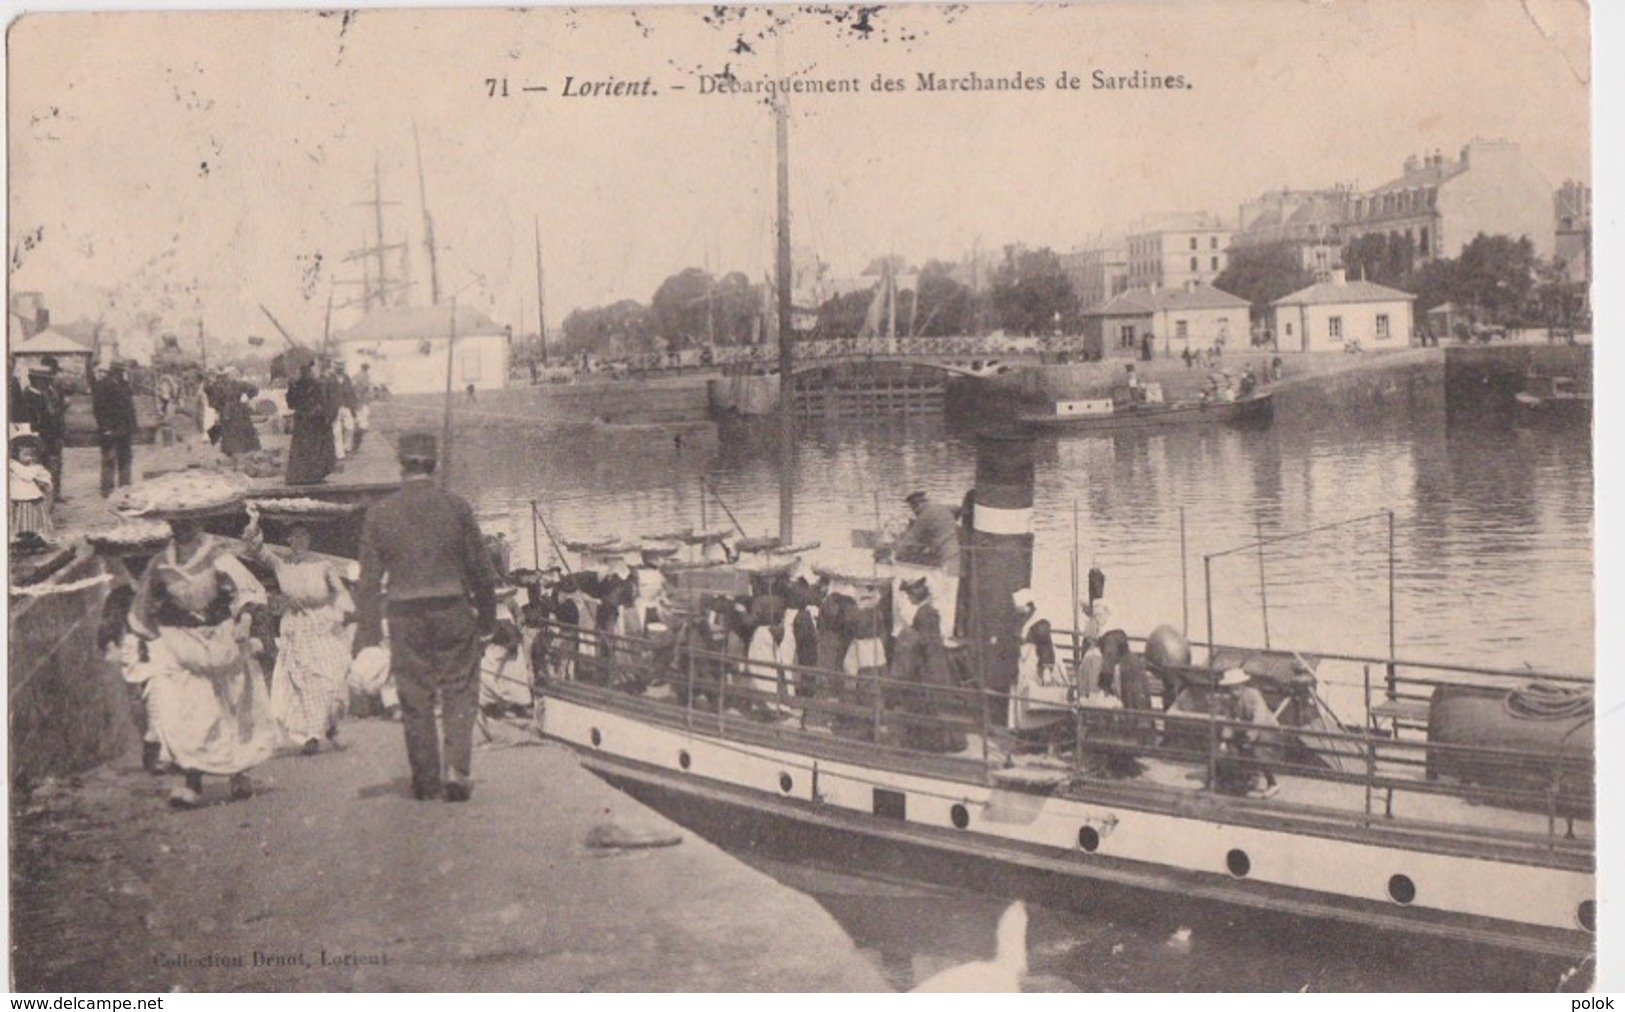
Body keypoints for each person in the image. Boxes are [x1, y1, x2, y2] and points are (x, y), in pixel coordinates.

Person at [353, 432, 497, 803]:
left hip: (404, 613)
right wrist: (488, 619)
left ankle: (427, 780)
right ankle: (457, 771)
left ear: (401, 465)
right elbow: (482, 570)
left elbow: (367, 582)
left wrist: (368, 637)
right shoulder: (457, 507)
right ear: (433, 464)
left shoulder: (380, 514)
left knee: (414, 695)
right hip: (452, 607)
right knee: (459, 689)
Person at [126, 513, 276, 809]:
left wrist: (244, 620)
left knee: (229, 706)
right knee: (189, 710)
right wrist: (143, 637)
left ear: (199, 526)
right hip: (181, 642)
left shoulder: (217, 558)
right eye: (176, 525)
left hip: (221, 639)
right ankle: (192, 783)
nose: (182, 530)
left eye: (188, 524)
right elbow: (144, 606)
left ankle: (238, 773)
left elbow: (247, 590)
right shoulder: (161, 565)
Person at [250, 517, 354, 756]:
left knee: (330, 677)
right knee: (304, 678)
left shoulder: (323, 565)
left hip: (323, 623)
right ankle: (312, 736)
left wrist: (341, 613)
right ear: (288, 540)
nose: (299, 541)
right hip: (296, 625)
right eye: (294, 537)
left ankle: (330, 727)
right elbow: (256, 550)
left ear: (309, 540)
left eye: (303, 536)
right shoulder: (281, 564)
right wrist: (253, 522)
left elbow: (339, 592)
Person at [892, 578, 965, 753]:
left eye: (909, 595)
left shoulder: (924, 613)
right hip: (934, 662)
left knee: (928, 704)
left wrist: (909, 638)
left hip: (928, 665)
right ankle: (941, 742)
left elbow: (924, 641)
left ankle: (935, 743)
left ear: (915, 595)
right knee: (936, 704)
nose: (909, 599)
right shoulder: (929, 611)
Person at [894, 491, 962, 636]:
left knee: (942, 597)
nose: (914, 513)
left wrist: (896, 555)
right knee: (950, 597)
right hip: (955, 555)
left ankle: (943, 634)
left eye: (913, 509)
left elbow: (910, 541)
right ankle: (947, 632)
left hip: (946, 560)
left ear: (916, 506)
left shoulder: (924, 516)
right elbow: (958, 509)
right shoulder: (942, 508)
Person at [1216, 667, 1280, 798]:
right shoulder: (1231, 701)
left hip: (1266, 728)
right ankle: (1247, 778)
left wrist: (1250, 738)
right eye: (1231, 687)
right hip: (1249, 729)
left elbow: (1259, 717)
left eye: (1237, 687)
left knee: (1259, 751)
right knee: (1233, 748)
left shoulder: (1253, 694)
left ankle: (1272, 783)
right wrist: (1224, 740)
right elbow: (1229, 720)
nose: (1234, 690)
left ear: (1242, 685)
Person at [284, 361, 335, 484]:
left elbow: (291, 405)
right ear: (311, 371)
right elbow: (323, 402)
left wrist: (291, 387)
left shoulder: (295, 385)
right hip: (315, 420)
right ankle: (315, 475)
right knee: (316, 448)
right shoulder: (318, 384)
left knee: (301, 448)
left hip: (302, 420)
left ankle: (300, 475)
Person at [91, 361, 138, 496]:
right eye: (119, 371)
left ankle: (125, 486)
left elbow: (130, 408)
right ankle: (107, 488)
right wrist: (105, 427)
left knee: (125, 457)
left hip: (124, 428)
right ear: (113, 371)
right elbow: (98, 409)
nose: (121, 373)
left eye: (122, 371)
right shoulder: (102, 386)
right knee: (109, 457)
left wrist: (132, 426)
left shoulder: (124, 385)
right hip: (109, 428)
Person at [26, 358, 67, 503]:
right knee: (41, 470)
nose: (49, 383)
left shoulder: (43, 395)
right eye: (45, 380)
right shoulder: (30, 397)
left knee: (51, 468)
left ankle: (50, 497)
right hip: (40, 439)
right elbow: (37, 422)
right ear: (36, 380)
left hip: (50, 438)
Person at [9, 429, 54, 536]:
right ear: (16, 453)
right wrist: (35, 472)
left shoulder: (36, 467)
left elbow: (45, 476)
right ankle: (19, 537)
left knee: (34, 515)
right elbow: (27, 475)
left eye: (33, 455)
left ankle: (36, 536)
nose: (30, 458)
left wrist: (45, 482)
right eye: (26, 455)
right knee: (19, 516)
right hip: (17, 495)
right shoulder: (13, 465)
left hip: (33, 496)